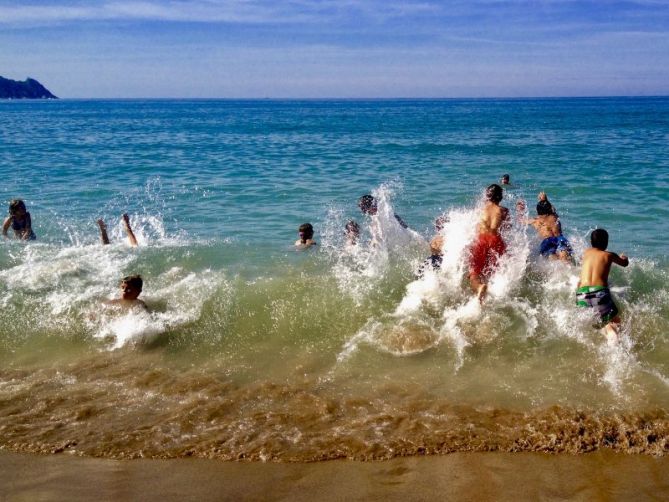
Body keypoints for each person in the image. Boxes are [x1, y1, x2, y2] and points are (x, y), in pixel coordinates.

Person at [576, 229, 629, 343]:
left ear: (591, 242)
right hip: (599, 292)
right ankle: (614, 338)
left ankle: (608, 333)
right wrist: (624, 257)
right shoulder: (608, 255)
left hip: (581, 293)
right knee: (615, 321)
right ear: (606, 242)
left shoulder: (585, 253)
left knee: (598, 322)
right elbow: (624, 264)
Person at [469, 184, 509, 301]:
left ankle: (479, 287)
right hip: (496, 240)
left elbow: (474, 226)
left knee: (474, 272)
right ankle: (494, 295)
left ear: (487, 195)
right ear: (500, 197)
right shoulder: (504, 210)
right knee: (494, 270)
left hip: (481, 240)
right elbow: (507, 228)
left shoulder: (480, 208)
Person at [526, 195, 572, 261]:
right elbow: (552, 208)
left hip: (548, 241)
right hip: (560, 239)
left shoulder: (536, 221)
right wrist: (545, 200)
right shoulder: (554, 216)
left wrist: (520, 212)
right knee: (565, 256)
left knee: (552, 258)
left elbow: (522, 221)